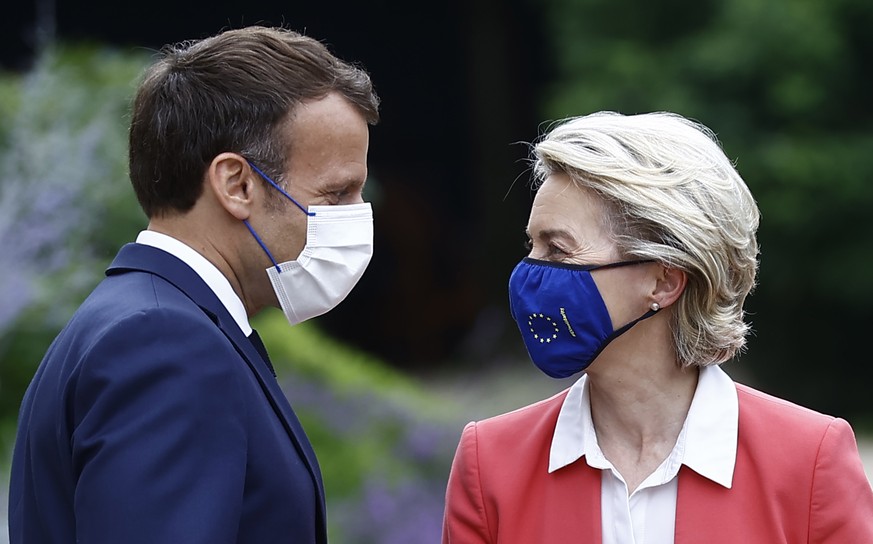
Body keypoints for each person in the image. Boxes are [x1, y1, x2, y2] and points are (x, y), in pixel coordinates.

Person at [8, 26, 379, 543]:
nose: (358, 216)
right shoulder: (164, 342)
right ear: (236, 184)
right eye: (337, 192)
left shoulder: (137, 320)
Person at [441, 111, 873, 543]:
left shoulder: (809, 461)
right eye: (531, 245)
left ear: (664, 281)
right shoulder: (491, 463)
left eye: (557, 249)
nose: (528, 275)